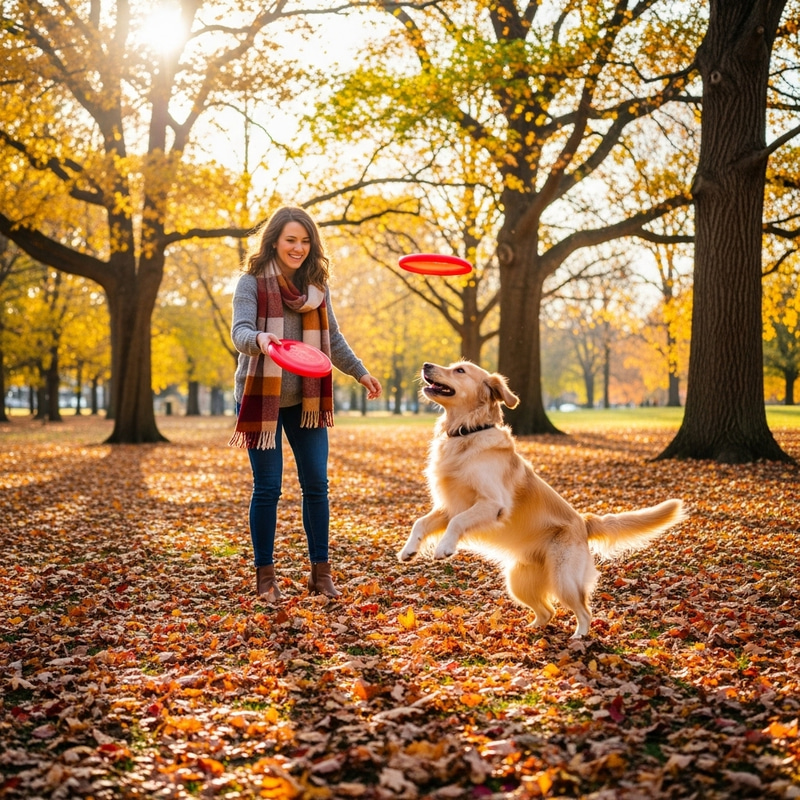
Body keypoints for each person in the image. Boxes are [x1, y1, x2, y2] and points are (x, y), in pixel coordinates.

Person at [230, 206, 382, 603]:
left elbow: (332, 338)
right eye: (290, 240)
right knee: (268, 488)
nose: (298, 248)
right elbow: (240, 331)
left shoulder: (317, 287)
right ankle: (265, 578)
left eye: (304, 241)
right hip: (261, 397)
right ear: (275, 241)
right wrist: (261, 340)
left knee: (317, 484)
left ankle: (321, 573)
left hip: (306, 400)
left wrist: (360, 372)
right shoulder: (251, 283)